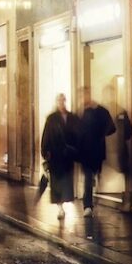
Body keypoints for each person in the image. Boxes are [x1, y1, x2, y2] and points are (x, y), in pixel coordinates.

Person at [78, 86, 117, 217]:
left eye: (84, 95)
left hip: (95, 150)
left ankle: (90, 201)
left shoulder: (99, 111)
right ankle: (88, 205)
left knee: (92, 175)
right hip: (86, 152)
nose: (83, 98)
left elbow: (111, 127)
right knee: (89, 177)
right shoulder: (81, 112)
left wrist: (100, 135)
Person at [41, 92, 80, 221]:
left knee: (67, 181)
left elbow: (77, 136)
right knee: (57, 182)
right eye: (59, 100)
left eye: (63, 100)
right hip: (56, 155)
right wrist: (45, 151)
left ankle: (64, 203)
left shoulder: (72, 117)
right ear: (57, 102)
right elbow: (46, 135)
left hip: (67, 155)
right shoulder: (51, 119)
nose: (61, 103)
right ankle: (60, 208)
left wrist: (76, 150)